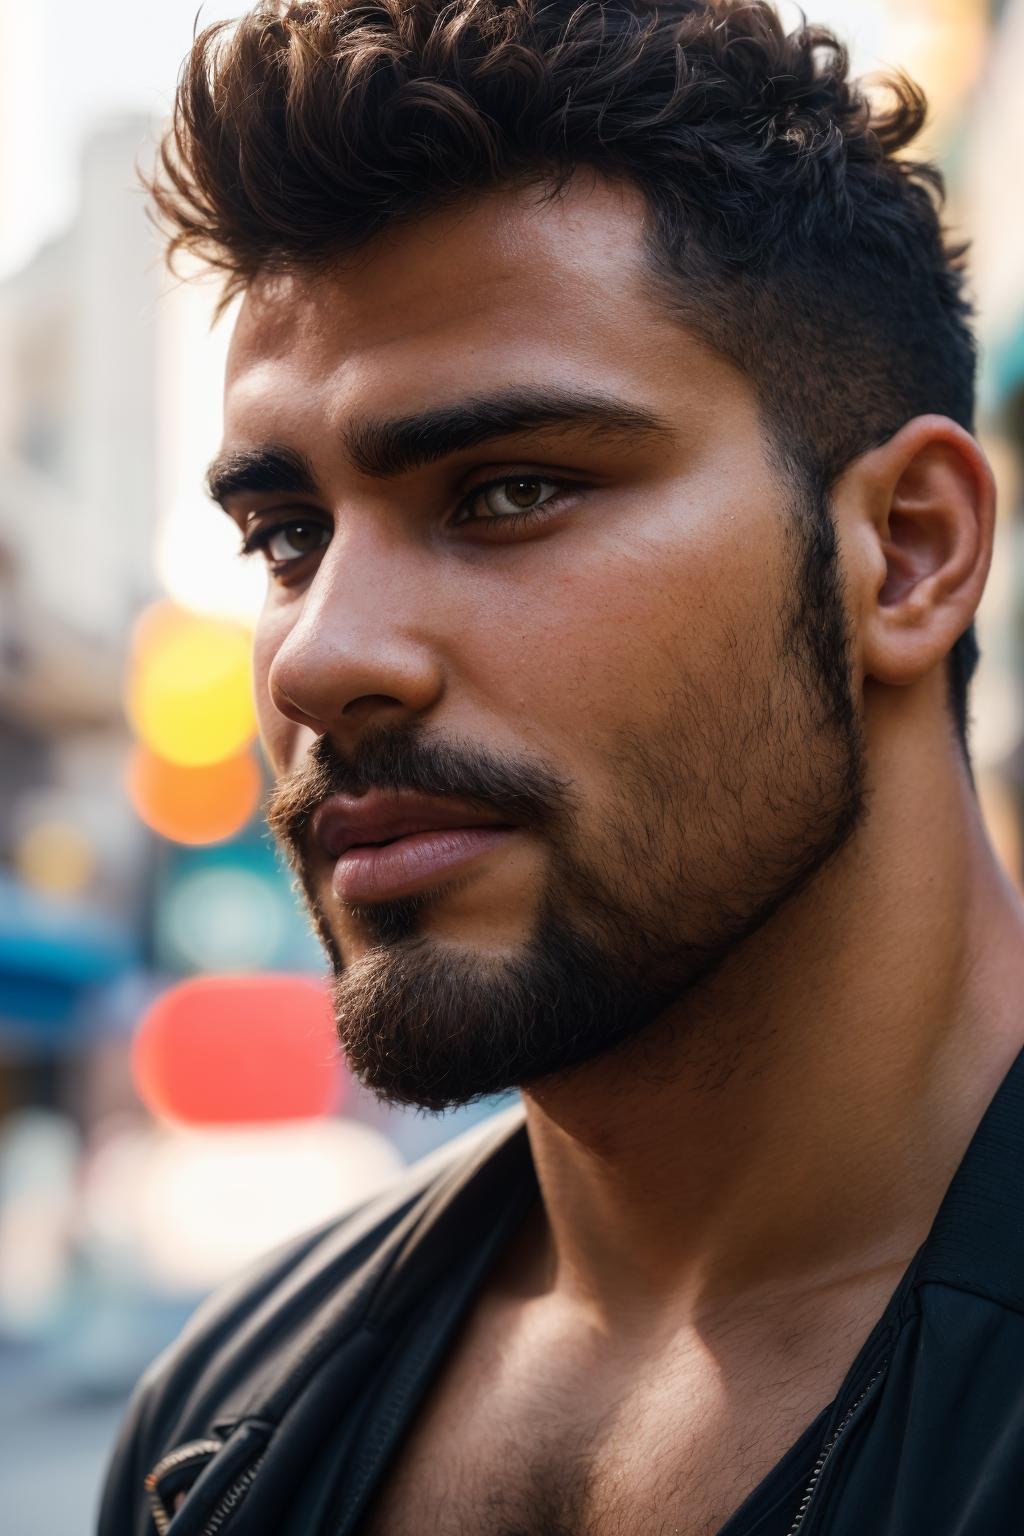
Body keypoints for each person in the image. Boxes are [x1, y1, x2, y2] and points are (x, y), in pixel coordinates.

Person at [99, 1, 1024, 1532]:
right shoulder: (218, 1429)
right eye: (286, 536)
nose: (320, 661)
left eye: (510, 490)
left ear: (908, 553)